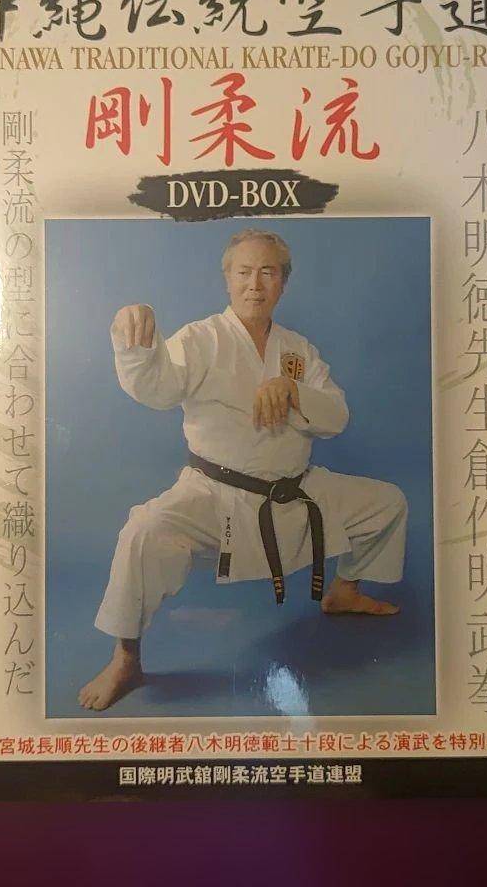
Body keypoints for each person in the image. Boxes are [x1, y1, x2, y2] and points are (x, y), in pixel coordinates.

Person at [78, 228, 408, 710]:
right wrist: (135, 342)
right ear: (228, 279)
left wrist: (292, 392)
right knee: (142, 533)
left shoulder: (297, 350)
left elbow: (336, 417)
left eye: (268, 272)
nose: (255, 284)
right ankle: (125, 658)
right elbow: (156, 388)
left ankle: (344, 591)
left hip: (294, 493)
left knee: (386, 503)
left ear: (283, 283)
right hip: (213, 495)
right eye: (244, 272)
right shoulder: (201, 339)